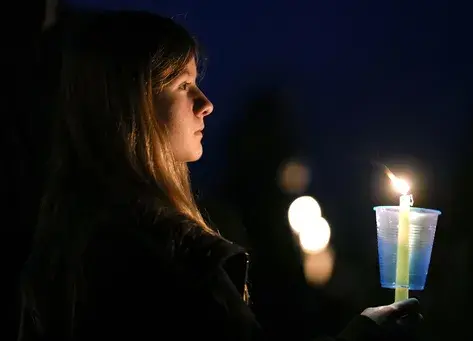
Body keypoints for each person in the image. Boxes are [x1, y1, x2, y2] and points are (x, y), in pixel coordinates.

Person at [18, 8, 422, 341]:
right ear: (132, 104)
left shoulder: (78, 235)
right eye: (183, 84)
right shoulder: (150, 255)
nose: (206, 104)